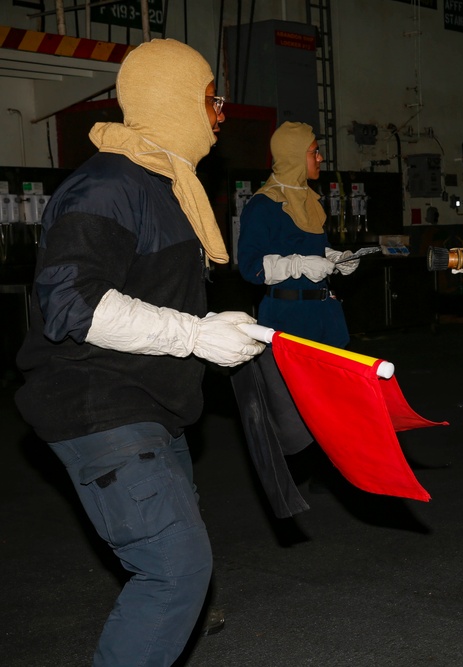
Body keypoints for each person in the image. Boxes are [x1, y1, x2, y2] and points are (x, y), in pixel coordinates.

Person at [14, 39, 265, 666]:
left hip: (151, 404)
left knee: (181, 566)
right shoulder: (105, 186)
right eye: (211, 99)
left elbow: (148, 295)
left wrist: (209, 321)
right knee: (174, 571)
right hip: (100, 403)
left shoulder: (168, 184)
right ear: (174, 100)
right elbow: (74, 307)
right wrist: (197, 335)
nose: (220, 116)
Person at [238, 121, 359, 348]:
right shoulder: (263, 206)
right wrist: (298, 266)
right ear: (294, 157)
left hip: (324, 314)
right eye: (314, 152)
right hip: (288, 318)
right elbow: (250, 266)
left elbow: (313, 246)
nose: (320, 158)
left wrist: (335, 257)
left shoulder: (311, 201)